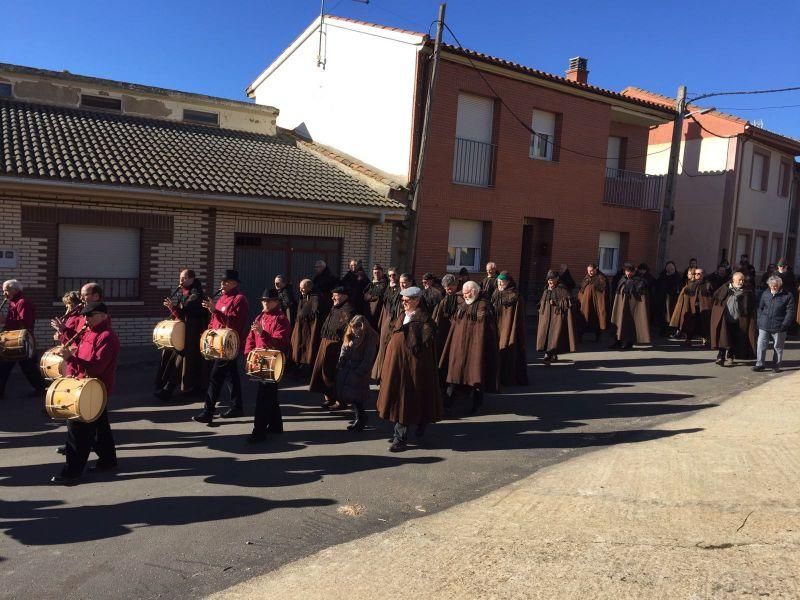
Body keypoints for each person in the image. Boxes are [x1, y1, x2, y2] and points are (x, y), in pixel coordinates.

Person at [50, 302, 120, 485]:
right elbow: (78, 347)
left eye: (90, 315)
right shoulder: (88, 331)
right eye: (85, 316)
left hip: (93, 388)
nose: (86, 319)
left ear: (104, 315)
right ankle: (108, 461)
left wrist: (70, 358)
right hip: (84, 385)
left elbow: (97, 367)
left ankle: (71, 473)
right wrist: (64, 332)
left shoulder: (107, 336)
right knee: (100, 428)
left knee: (77, 431)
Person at [376, 286, 443, 452]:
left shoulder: (425, 321)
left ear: (417, 300)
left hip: (415, 369)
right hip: (398, 367)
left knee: (409, 401)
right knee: (401, 400)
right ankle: (412, 427)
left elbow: (425, 346)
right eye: (403, 300)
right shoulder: (402, 316)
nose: (403, 303)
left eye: (407, 300)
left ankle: (401, 438)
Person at [193, 270, 249, 424]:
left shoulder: (240, 299)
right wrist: (207, 334)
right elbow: (214, 321)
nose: (222, 285)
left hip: (228, 344)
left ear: (234, 284)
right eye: (222, 282)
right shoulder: (221, 299)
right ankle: (237, 407)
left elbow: (235, 323)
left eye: (226, 282)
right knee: (232, 376)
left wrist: (214, 311)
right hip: (218, 343)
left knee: (215, 377)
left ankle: (208, 412)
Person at [440, 280, 498, 413]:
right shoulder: (463, 304)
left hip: (476, 348)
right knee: (454, 375)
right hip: (459, 347)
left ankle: (477, 404)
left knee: (476, 376)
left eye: (466, 293)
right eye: (464, 294)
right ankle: (448, 403)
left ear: (474, 292)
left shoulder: (484, 306)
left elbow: (488, 331)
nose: (464, 296)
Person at [244, 289, 291, 444]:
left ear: (276, 302)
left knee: (263, 398)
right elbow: (251, 337)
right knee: (270, 395)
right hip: (259, 360)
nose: (265, 303)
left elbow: (280, 342)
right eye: (263, 300)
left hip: (273, 362)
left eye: (268, 300)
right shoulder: (260, 316)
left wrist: (263, 333)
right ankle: (276, 425)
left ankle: (259, 432)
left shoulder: (281, 319)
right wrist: (248, 355)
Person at [154, 269, 207, 401]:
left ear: (191, 279)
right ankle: (168, 385)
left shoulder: (196, 295)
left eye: (183, 278)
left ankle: (169, 389)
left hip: (193, 335)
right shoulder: (185, 292)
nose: (181, 281)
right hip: (184, 333)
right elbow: (180, 313)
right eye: (180, 278)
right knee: (171, 357)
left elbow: (186, 313)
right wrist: (172, 309)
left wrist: (173, 308)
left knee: (181, 361)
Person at [0, 279, 47, 399]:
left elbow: (25, 323)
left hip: (21, 341)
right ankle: (41, 387)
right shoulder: (13, 302)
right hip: (13, 340)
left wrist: (5, 320)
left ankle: (41, 388)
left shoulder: (23, 303)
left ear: (15, 290)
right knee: (26, 367)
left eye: (6, 291)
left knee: (10, 366)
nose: (4, 293)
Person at [309, 286, 355, 409]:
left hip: (337, 345)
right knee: (322, 371)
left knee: (333, 374)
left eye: (336, 295)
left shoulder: (348, 309)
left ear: (344, 296)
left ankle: (340, 401)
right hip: (326, 342)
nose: (333, 297)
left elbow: (347, 330)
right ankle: (329, 398)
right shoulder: (335, 307)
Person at [336, 315, 378, 432]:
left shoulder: (369, 339)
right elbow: (343, 349)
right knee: (353, 397)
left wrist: (360, 371)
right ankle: (360, 417)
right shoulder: (350, 336)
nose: (353, 330)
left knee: (357, 397)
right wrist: (342, 361)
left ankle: (360, 419)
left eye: (356, 327)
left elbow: (368, 358)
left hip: (359, 372)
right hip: (348, 370)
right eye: (352, 327)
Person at [709, 272, 757, 366]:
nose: (741, 282)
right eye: (740, 280)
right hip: (725, 319)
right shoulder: (725, 288)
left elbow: (751, 306)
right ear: (733, 279)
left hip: (739, 320)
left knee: (735, 338)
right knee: (723, 337)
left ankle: (731, 356)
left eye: (743, 280)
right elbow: (716, 299)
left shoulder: (747, 291)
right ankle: (720, 357)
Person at [753, 275, 795, 373]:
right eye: (771, 285)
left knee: (778, 347)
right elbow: (760, 308)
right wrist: (759, 320)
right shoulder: (765, 293)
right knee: (761, 345)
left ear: (780, 285)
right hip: (764, 324)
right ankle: (760, 364)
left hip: (779, 326)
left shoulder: (787, 295)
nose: (773, 287)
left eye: (775, 285)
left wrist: (785, 324)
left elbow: (790, 312)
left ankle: (776, 366)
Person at [492, 272, 528, 384]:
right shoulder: (496, 292)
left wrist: (513, 329)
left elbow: (518, 316)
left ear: (508, 282)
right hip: (496, 326)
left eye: (501, 282)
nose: (499, 284)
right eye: (498, 282)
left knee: (508, 352)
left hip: (509, 328)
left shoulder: (515, 296)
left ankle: (507, 378)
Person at [371, 268, 404, 381]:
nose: (392, 278)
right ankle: (380, 374)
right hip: (387, 319)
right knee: (382, 346)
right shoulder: (388, 289)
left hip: (396, 321)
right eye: (390, 276)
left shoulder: (401, 290)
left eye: (394, 275)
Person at [536, 271, 576, 363]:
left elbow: (568, 303)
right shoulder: (546, 289)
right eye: (548, 280)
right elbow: (541, 302)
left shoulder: (562, 289)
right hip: (546, 317)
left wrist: (556, 303)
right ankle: (549, 353)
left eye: (552, 279)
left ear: (557, 279)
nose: (550, 282)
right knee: (545, 335)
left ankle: (550, 354)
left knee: (555, 335)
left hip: (557, 316)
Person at [610, 263, 651, 349]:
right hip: (621, 305)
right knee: (619, 322)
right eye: (626, 271)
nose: (628, 273)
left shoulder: (639, 281)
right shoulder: (622, 279)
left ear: (633, 271)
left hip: (631, 307)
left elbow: (642, 294)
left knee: (628, 324)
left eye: (629, 271)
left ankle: (628, 342)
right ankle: (618, 341)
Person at [670, 267, 714, 346]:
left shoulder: (708, 284)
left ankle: (705, 340)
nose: (697, 275)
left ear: (703, 275)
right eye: (696, 274)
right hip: (692, 308)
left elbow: (711, 297)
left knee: (704, 324)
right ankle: (688, 340)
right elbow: (685, 296)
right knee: (690, 324)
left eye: (699, 274)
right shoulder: (691, 284)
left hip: (703, 308)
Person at [290, 279, 320, 373]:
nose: (300, 290)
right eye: (300, 288)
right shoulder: (303, 296)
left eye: (302, 288)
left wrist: (307, 316)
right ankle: (297, 365)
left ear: (309, 287)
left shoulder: (315, 297)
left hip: (307, 327)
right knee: (297, 345)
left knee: (306, 347)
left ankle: (305, 368)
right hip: (299, 326)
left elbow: (315, 312)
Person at [577, 264, 608, 342]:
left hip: (596, 304)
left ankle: (598, 336)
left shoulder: (601, 278)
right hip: (586, 304)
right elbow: (582, 289)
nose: (589, 272)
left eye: (591, 270)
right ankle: (580, 337)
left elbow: (603, 291)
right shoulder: (586, 277)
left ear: (595, 269)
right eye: (588, 271)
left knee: (597, 319)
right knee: (584, 318)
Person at [654, 261, 682, 337]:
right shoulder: (662, 276)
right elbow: (657, 285)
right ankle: (662, 331)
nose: (670, 269)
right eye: (668, 267)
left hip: (672, 299)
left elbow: (678, 287)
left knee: (671, 315)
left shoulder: (677, 277)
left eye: (671, 268)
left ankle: (671, 331)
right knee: (662, 315)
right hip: (662, 299)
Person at [363, 264, 388, 330]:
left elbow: (379, 293)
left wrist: (370, 297)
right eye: (375, 273)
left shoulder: (385, 283)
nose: (376, 274)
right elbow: (365, 293)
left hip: (378, 312)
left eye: (378, 272)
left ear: (382, 272)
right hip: (369, 311)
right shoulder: (371, 283)